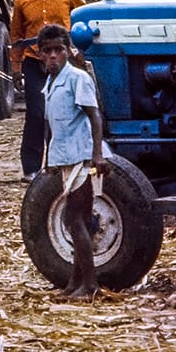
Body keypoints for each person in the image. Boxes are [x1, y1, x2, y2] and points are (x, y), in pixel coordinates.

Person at [35, 25, 108, 298]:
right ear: (40, 55)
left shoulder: (77, 78)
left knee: (75, 219)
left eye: (59, 50)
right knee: (75, 219)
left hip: (82, 156)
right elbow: (51, 127)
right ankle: (74, 283)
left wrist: (97, 155)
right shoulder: (51, 83)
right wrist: (48, 158)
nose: (53, 56)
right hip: (65, 157)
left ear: (68, 52)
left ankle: (90, 285)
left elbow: (94, 116)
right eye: (47, 51)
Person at [8, 0, 86, 180]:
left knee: (61, 111)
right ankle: (31, 168)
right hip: (34, 62)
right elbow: (16, 36)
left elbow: (85, 19)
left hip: (62, 62)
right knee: (36, 113)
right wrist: (16, 68)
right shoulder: (22, 1)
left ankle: (57, 163)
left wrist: (80, 51)